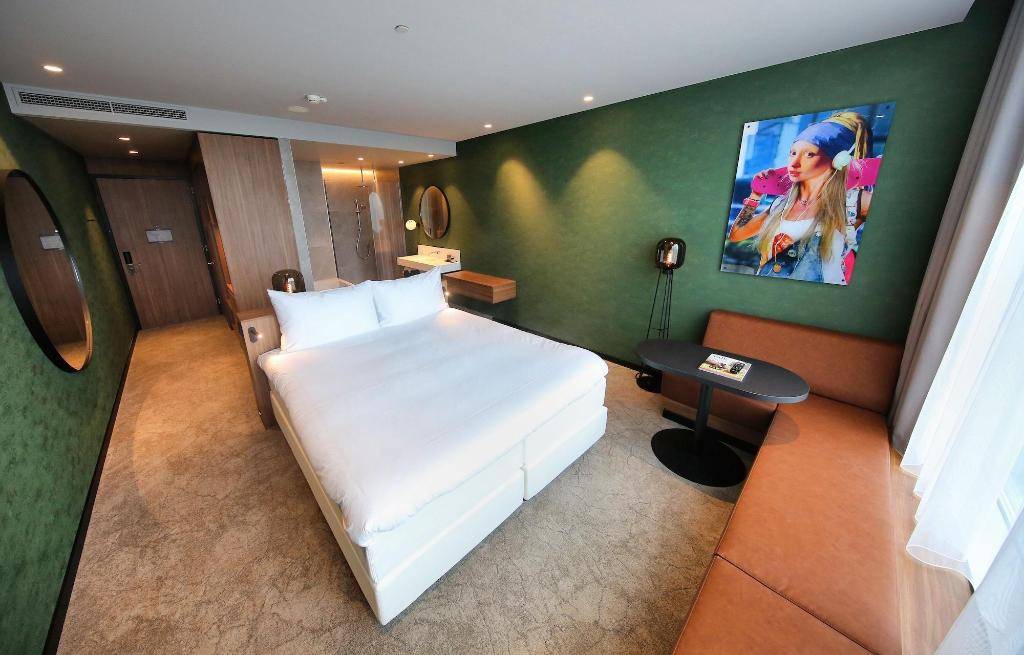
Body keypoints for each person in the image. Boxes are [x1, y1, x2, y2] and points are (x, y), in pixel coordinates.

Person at [727, 111, 873, 285]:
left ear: (838, 160)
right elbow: (736, 235)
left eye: (809, 154)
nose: (794, 163)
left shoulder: (853, 202)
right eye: (793, 153)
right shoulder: (782, 203)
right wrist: (756, 194)